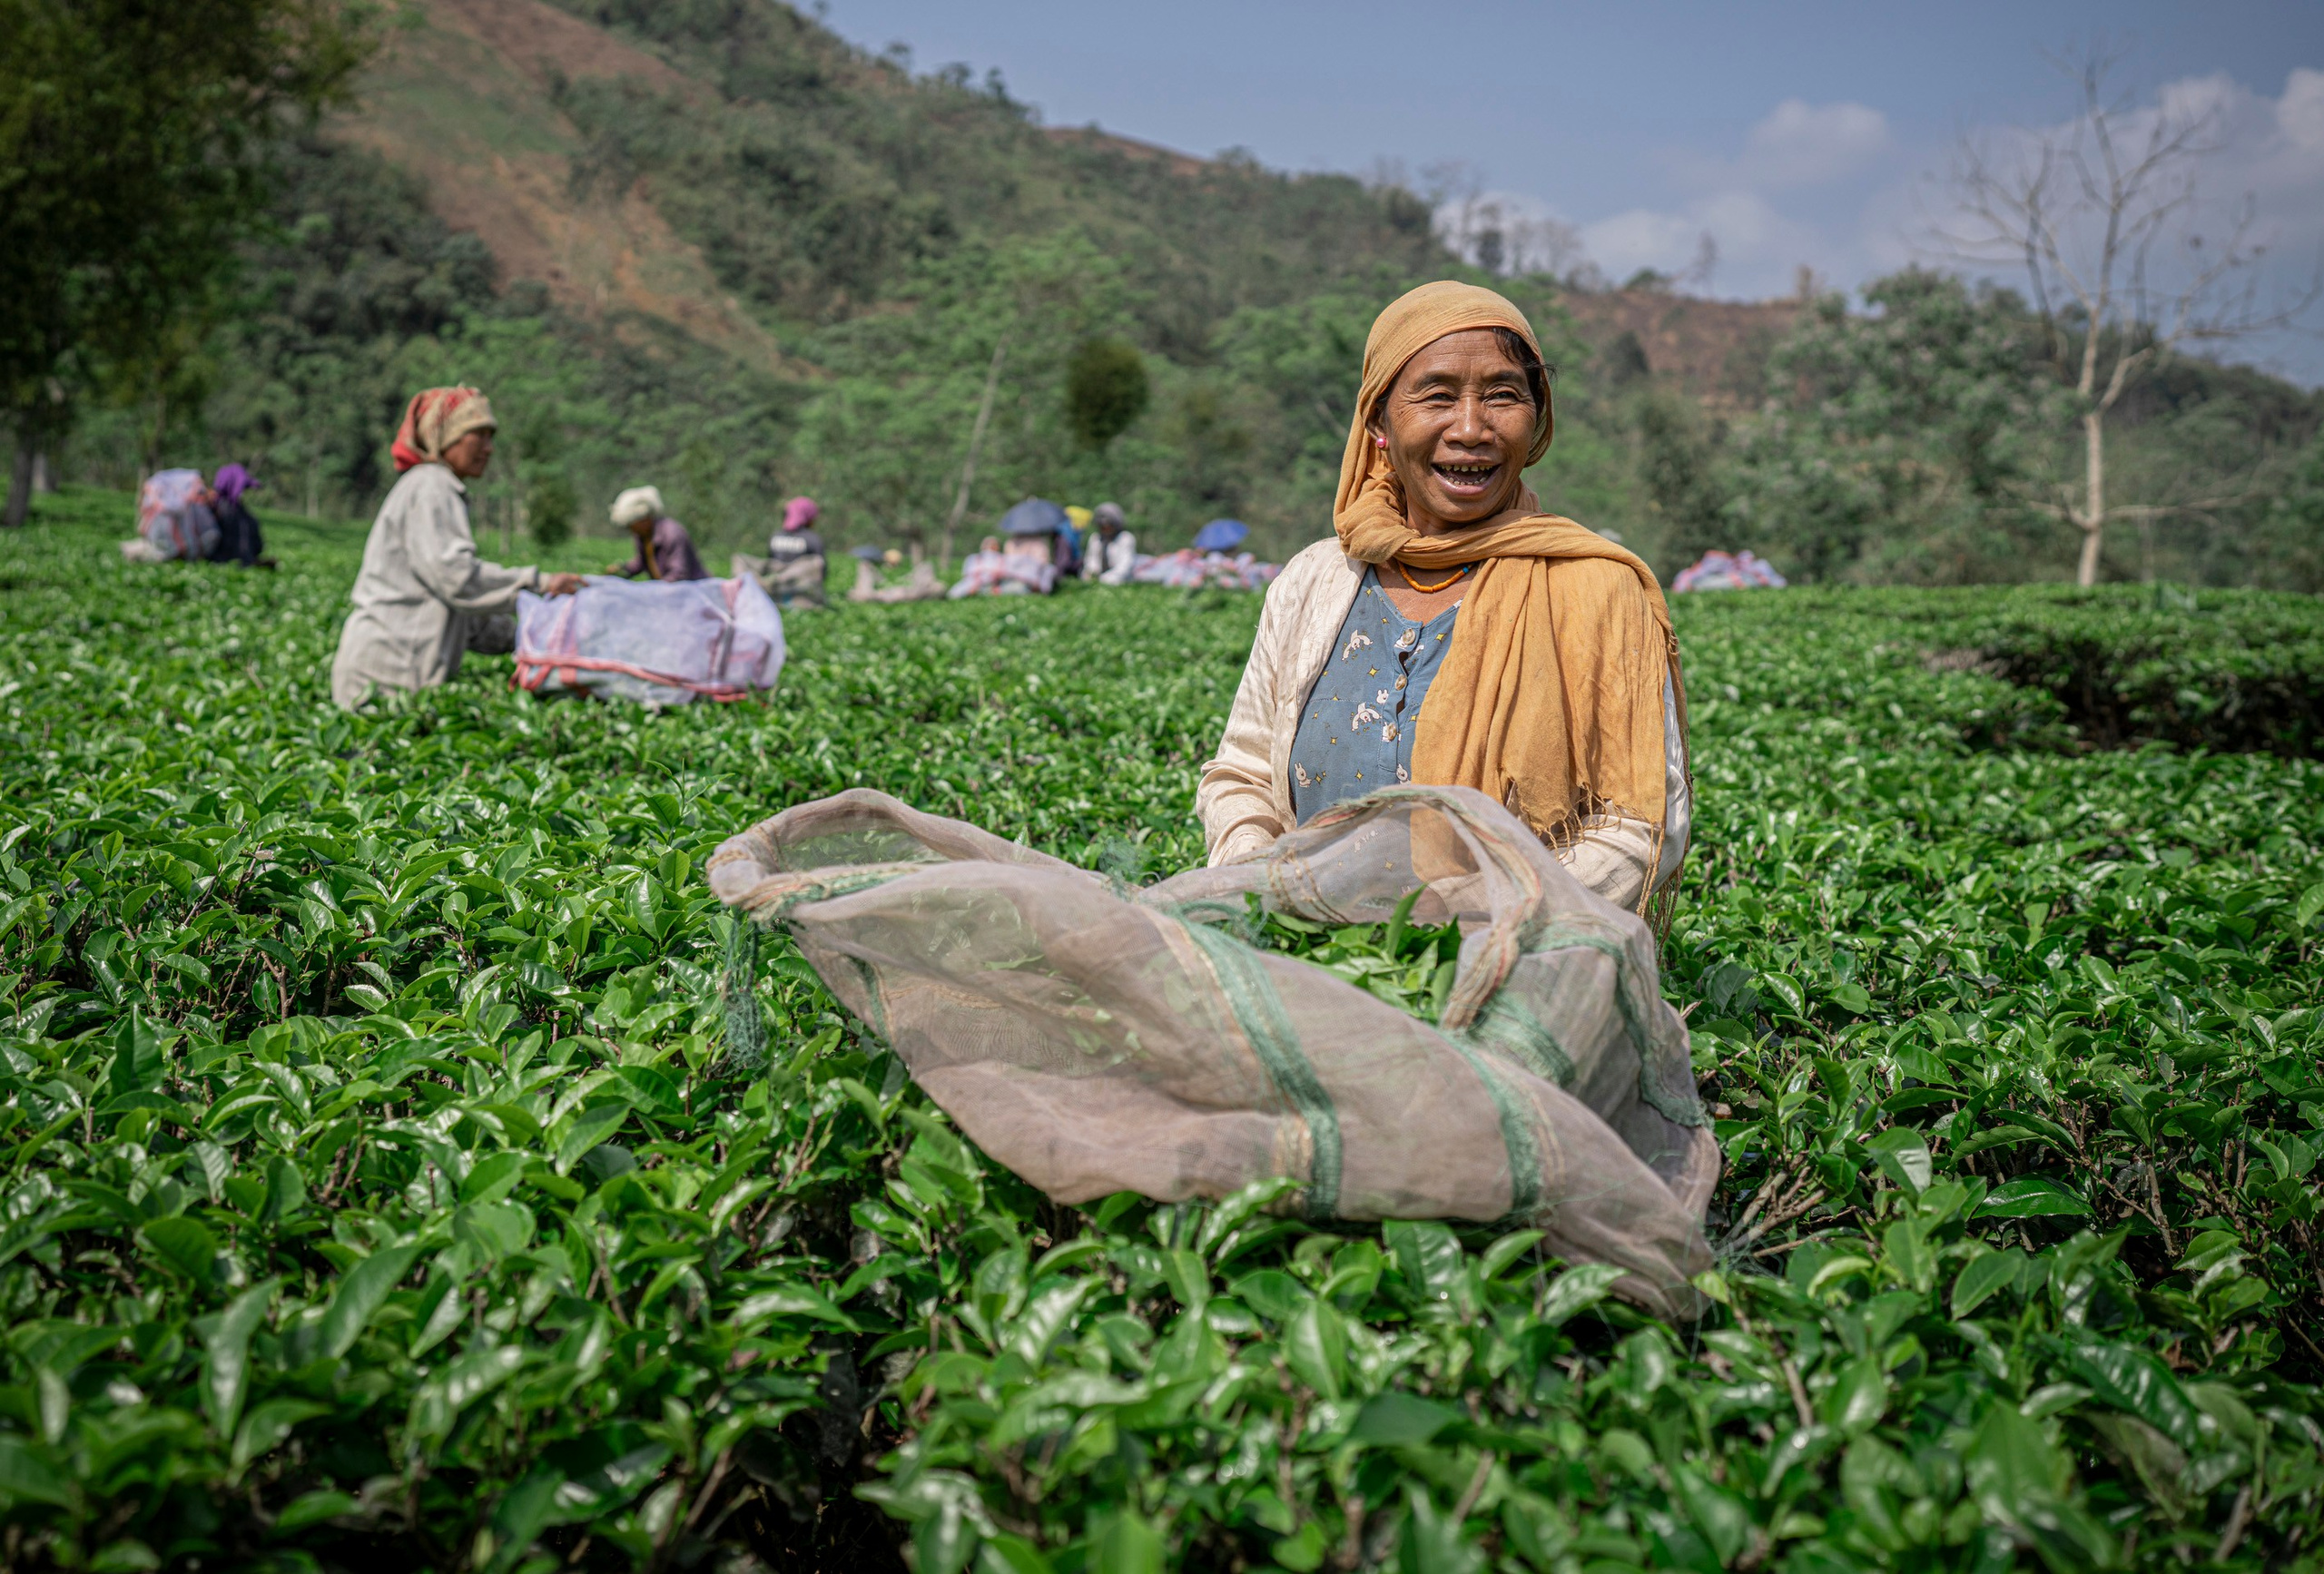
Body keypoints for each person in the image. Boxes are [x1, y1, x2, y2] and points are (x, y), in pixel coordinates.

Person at [1196, 280, 1690, 918]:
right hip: (1305, 959)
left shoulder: (1596, 589)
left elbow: (1641, 822)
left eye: (1504, 397)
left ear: (1536, 417)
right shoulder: (1314, 580)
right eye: (1436, 396)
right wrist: (1265, 895)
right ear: (1378, 419)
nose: (1470, 428)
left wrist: (1458, 930)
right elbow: (1242, 776)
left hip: (1509, 968)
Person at [330, 387, 583, 709]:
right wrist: (540, 584)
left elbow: (464, 613)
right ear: (445, 437)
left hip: (402, 676)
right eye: (478, 436)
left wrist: (532, 636)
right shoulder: (431, 486)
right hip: (383, 677)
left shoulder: (437, 488)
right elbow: (457, 579)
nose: (489, 449)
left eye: (491, 438)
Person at [606, 487, 708, 582]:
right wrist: (621, 571)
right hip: (666, 592)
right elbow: (642, 561)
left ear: (644, 519)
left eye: (632, 525)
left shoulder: (672, 534)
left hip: (695, 594)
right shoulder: (643, 536)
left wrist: (652, 591)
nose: (631, 530)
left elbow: (679, 575)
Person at [763, 495, 827, 607]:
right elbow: (823, 571)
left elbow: (770, 562)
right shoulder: (813, 539)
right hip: (803, 598)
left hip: (775, 594)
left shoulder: (775, 536)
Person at [206, 464, 271, 568]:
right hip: (241, 561)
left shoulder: (214, 507)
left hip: (219, 561)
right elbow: (258, 546)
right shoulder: (242, 513)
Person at [1079, 502, 1137, 585]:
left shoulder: (1125, 538)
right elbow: (1091, 559)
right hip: (1098, 580)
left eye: (1108, 525)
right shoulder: (1095, 538)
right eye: (1102, 525)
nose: (1105, 528)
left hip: (1120, 581)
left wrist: (1105, 578)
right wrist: (1092, 572)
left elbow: (1125, 567)